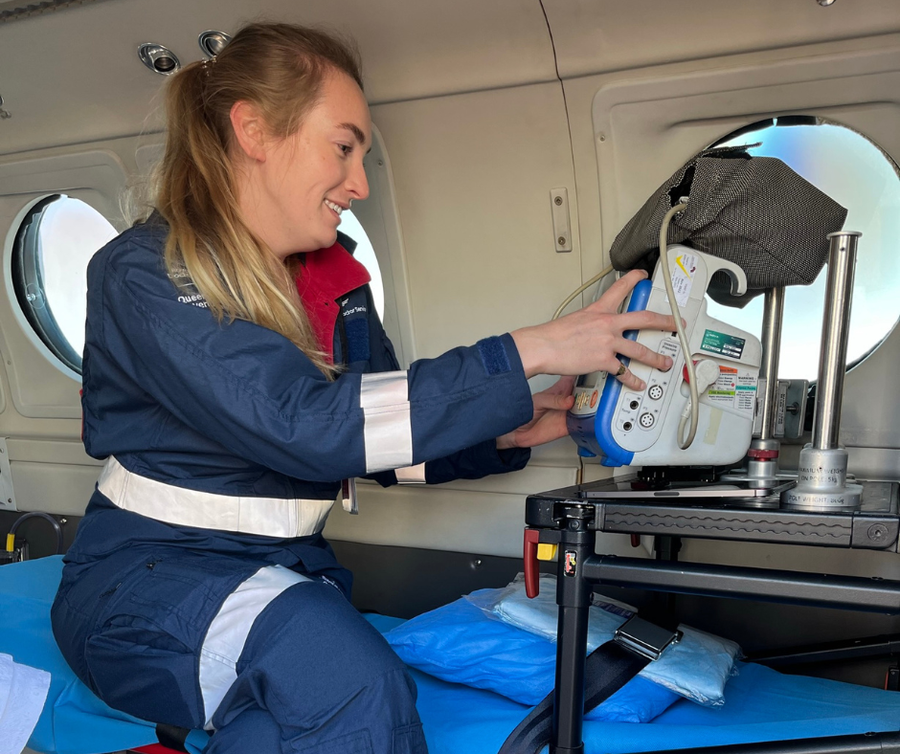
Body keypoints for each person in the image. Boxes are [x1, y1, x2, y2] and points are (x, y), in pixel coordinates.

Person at [50, 21, 676, 754]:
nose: (361, 183)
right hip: (148, 581)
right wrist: (532, 350)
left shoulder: (335, 283)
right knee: (354, 683)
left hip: (280, 577)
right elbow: (311, 428)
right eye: (343, 147)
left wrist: (504, 426)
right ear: (253, 130)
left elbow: (371, 441)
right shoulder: (149, 274)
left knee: (304, 716)